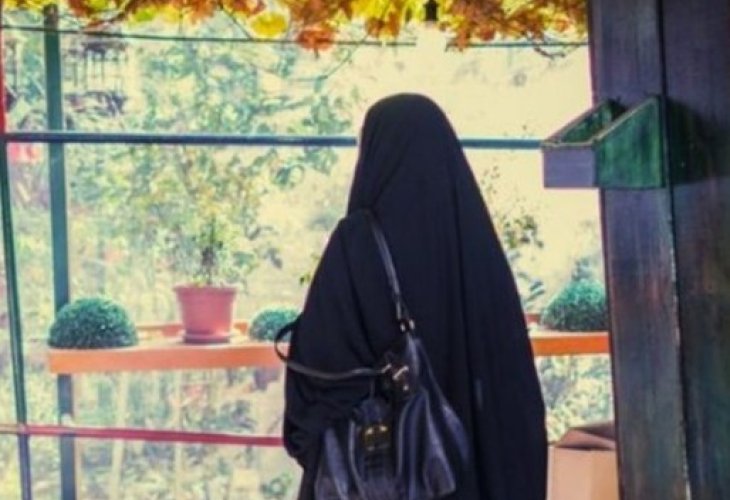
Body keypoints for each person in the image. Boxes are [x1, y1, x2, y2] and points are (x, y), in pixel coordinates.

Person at [282, 94, 547, 499]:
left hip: (383, 477)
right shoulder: (474, 243)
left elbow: (318, 372)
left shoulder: (358, 243)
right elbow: (514, 390)